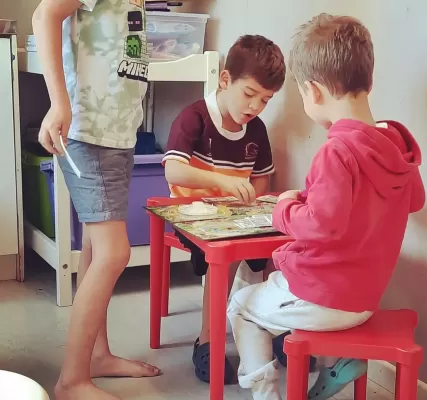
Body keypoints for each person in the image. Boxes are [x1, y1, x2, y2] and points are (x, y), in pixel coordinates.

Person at [227, 14, 426, 400]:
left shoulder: (337, 149)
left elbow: (321, 225)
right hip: (366, 299)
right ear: (368, 81)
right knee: (277, 296)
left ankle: (267, 396)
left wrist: (283, 209)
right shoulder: (394, 145)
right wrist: (308, 198)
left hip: (322, 297)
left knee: (241, 306)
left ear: (313, 91)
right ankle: (331, 367)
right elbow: (412, 199)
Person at [32, 0, 159, 399]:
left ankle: (98, 356)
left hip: (117, 135)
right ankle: (71, 381)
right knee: (113, 252)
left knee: (95, 245)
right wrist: (58, 103)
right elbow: (45, 14)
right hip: (88, 133)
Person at [163, 34, 286, 384]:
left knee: (274, 248)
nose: (255, 107)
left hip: (234, 216)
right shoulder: (194, 117)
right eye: (249, 95)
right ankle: (207, 339)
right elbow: (173, 170)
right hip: (190, 215)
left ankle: (264, 332)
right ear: (225, 80)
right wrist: (222, 184)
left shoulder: (257, 130)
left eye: (266, 100)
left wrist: (256, 205)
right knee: (227, 255)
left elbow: (261, 182)